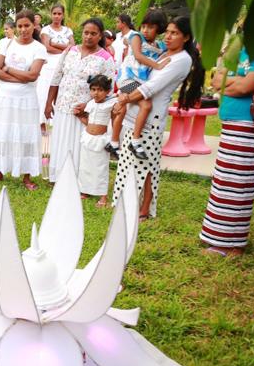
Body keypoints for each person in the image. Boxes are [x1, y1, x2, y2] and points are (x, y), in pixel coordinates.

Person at [111, 16, 205, 220]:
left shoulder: (182, 60)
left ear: (186, 37)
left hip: (150, 120)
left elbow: (150, 88)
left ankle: (144, 208)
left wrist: (124, 99)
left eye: (175, 33)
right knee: (128, 163)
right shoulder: (163, 52)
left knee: (147, 166)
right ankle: (126, 204)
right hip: (136, 115)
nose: (168, 36)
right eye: (168, 32)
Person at [200, 47, 254, 257]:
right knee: (225, 182)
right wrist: (235, 84)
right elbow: (215, 81)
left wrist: (231, 82)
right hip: (231, 123)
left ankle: (230, 244)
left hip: (248, 125)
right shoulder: (239, 52)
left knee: (237, 184)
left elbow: (246, 86)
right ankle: (218, 238)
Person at [44, 18, 116, 183]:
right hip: (63, 106)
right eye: (86, 33)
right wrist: (49, 103)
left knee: (80, 146)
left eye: (93, 33)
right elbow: (56, 77)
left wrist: (89, 104)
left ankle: (77, 180)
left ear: (100, 36)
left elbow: (109, 88)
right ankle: (59, 177)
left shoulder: (105, 58)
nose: (89, 37)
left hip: (84, 112)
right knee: (62, 143)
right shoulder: (70, 51)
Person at [0, 10, 47, 190]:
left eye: (27, 25)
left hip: (26, 99)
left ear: (33, 26)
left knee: (26, 134)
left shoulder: (39, 48)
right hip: (4, 97)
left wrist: (9, 69)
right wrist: (21, 76)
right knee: (2, 132)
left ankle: (26, 177)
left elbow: (33, 75)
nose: (23, 29)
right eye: (19, 26)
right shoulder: (6, 43)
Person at [107, 9, 168, 160]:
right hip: (127, 79)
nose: (146, 30)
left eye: (151, 27)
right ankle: (135, 141)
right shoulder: (137, 36)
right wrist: (157, 66)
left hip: (140, 82)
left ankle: (113, 143)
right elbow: (139, 56)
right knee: (145, 106)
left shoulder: (159, 45)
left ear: (159, 28)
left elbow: (171, 51)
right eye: (144, 26)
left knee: (123, 108)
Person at [75, 75, 117, 207]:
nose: (96, 93)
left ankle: (102, 195)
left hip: (101, 140)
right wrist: (80, 118)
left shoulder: (111, 104)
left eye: (100, 90)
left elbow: (115, 122)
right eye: (93, 89)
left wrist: (113, 140)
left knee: (100, 167)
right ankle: (86, 190)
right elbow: (89, 122)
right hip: (87, 138)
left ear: (107, 91)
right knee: (86, 166)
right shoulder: (90, 104)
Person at [38, 4, 75, 128]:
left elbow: (73, 47)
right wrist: (65, 49)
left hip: (65, 65)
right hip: (49, 65)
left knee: (60, 91)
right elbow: (47, 47)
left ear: (63, 15)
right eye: (54, 13)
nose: (57, 16)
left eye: (59, 14)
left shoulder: (68, 30)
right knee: (45, 91)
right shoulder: (46, 30)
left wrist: (54, 43)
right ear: (51, 14)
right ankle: (42, 122)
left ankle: (57, 122)